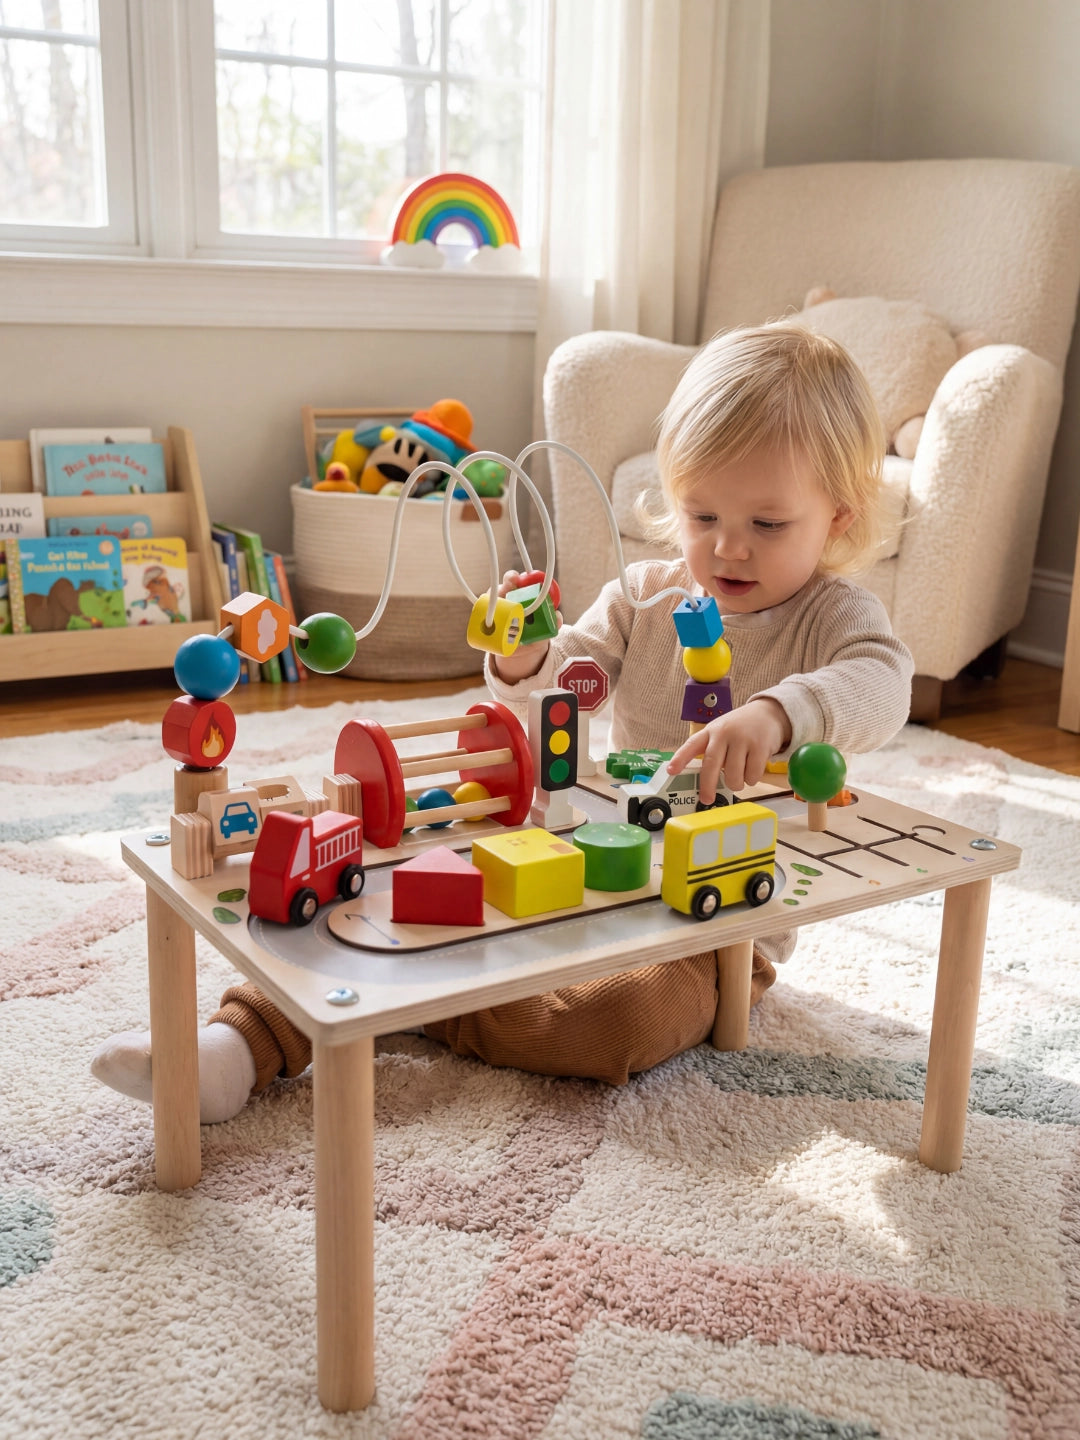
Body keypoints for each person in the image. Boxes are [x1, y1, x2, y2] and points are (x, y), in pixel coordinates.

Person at [91, 323, 913, 1123]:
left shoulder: (837, 617)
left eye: (766, 525)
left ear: (838, 516)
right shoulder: (648, 597)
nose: (728, 548)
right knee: (412, 889)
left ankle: (406, 1006)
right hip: (602, 851)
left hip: (717, 925)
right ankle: (234, 1046)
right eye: (702, 517)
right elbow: (574, 687)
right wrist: (524, 660)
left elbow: (882, 685)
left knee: (617, 1022)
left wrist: (780, 713)